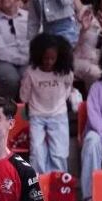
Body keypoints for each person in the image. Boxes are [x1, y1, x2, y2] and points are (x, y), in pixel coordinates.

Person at [21, 33, 76, 173]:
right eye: (45, 58)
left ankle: (59, 182)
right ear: (38, 56)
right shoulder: (31, 72)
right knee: (37, 152)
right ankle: (39, 183)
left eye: (52, 58)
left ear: (59, 58)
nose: (49, 62)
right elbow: (24, 96)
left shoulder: (65, 72)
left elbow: (69, 87)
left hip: (58, 115)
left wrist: (62, 100)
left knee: (59, 153)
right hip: (37, 116)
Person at [80, 51, 102, 201]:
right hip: (99, 134)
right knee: (91, 140)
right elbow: (94, 116)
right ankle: (91, 196)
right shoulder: (97, 87)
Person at [74, 0, 102, 86]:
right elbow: (70, 42)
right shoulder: (86, 12)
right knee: (97, 73)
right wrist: (82, 30)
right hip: (82, 60)